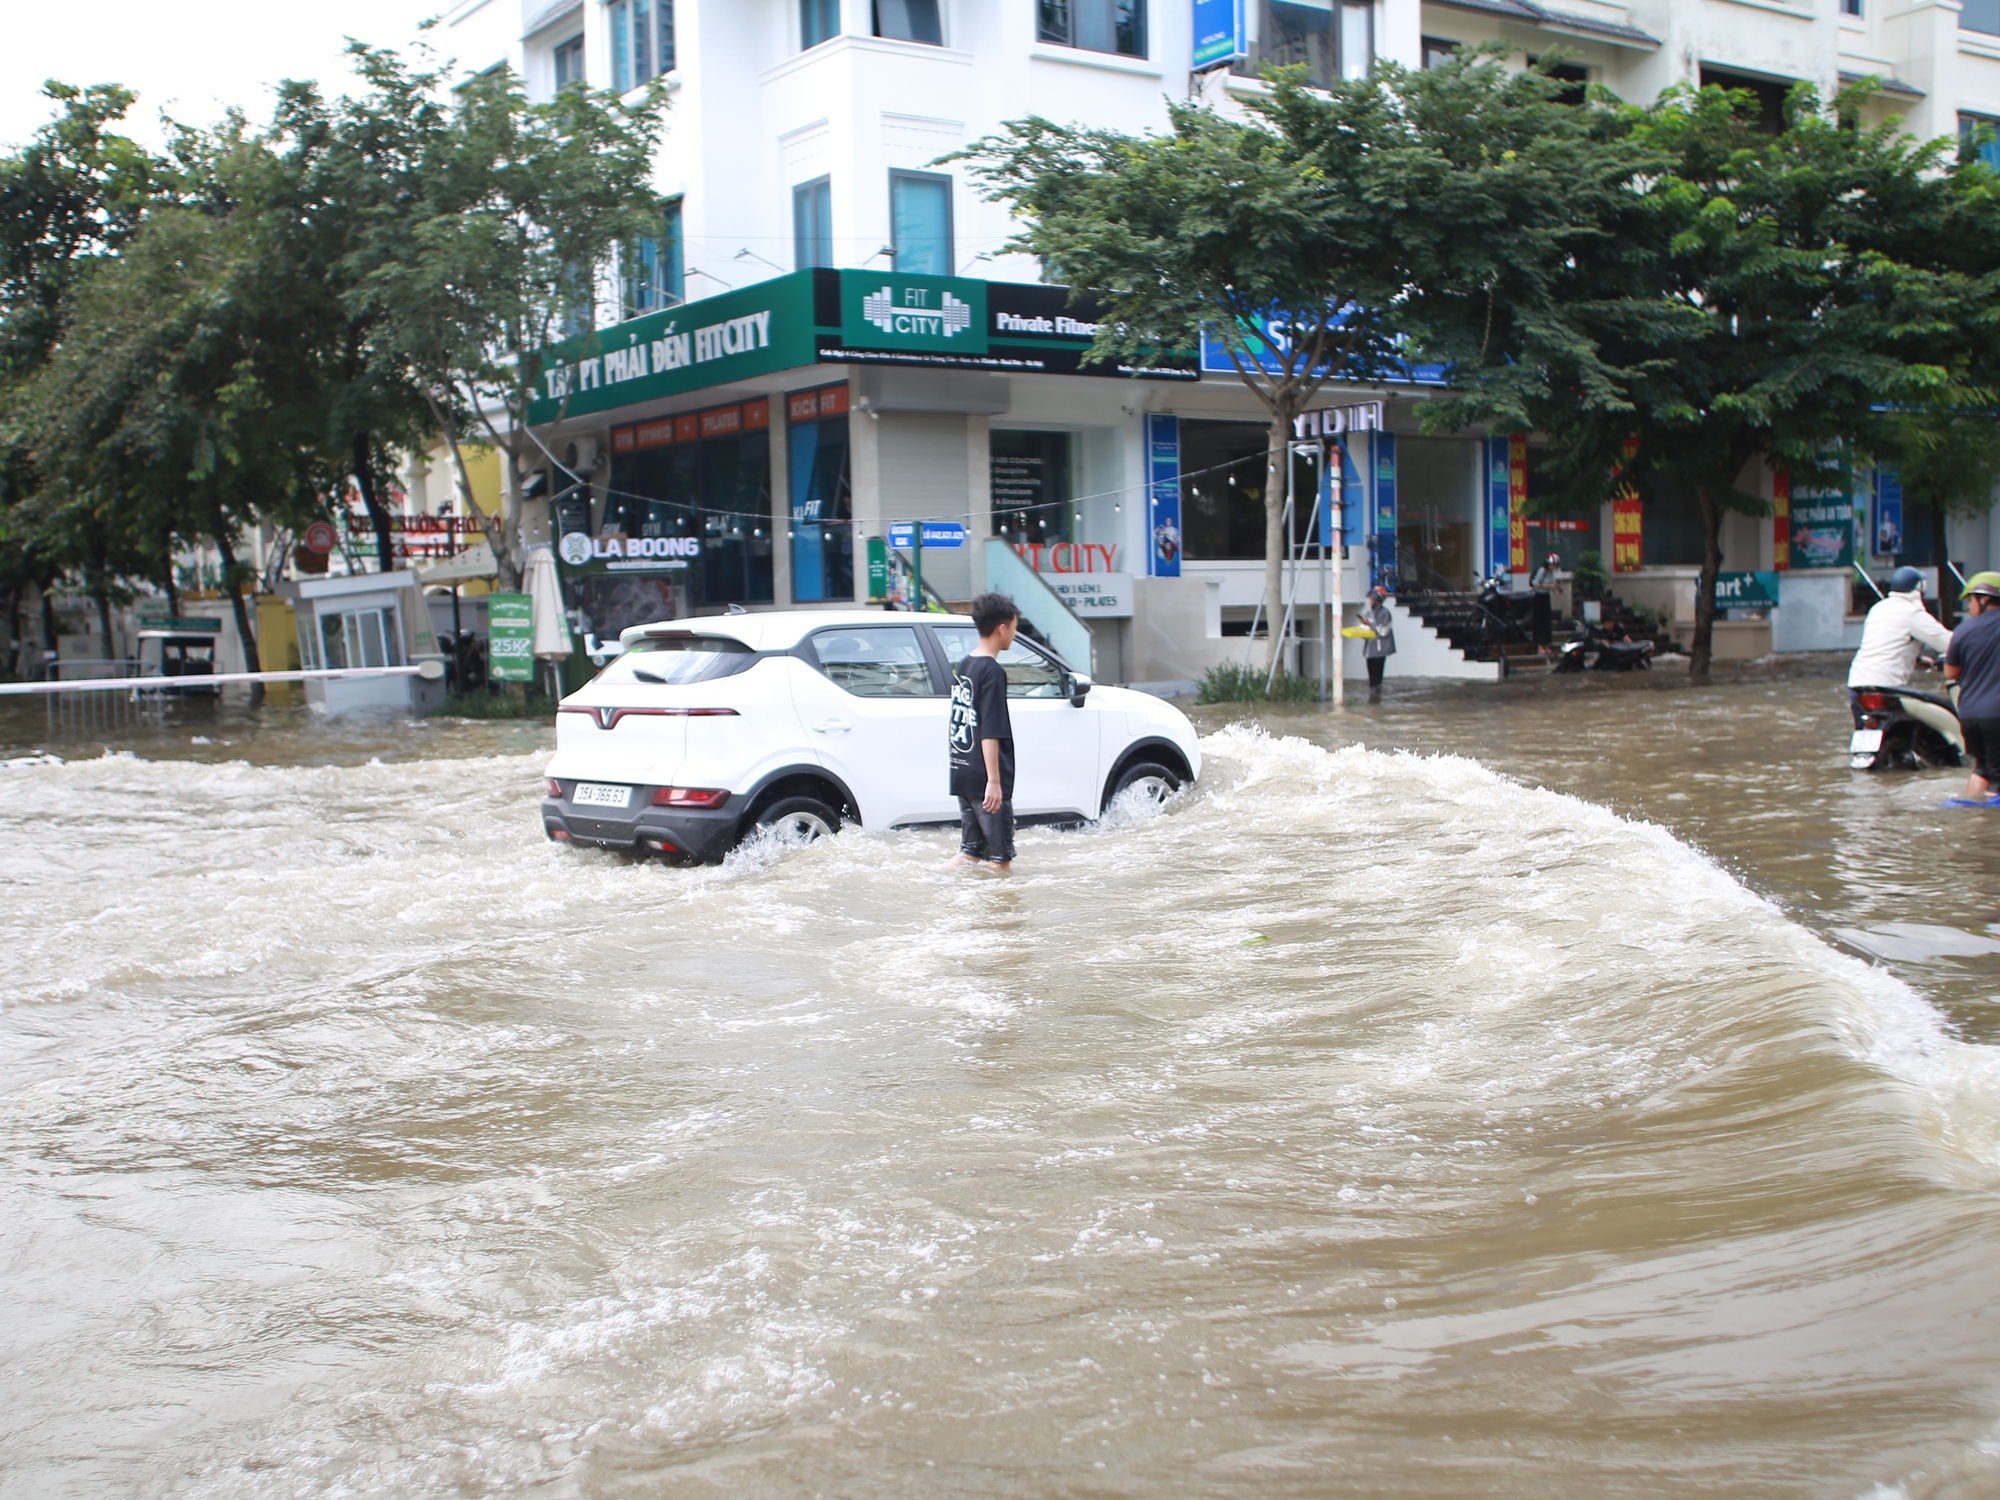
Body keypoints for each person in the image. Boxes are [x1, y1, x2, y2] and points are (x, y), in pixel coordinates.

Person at [947, 592, 1020, 871]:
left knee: (971, 853)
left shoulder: (964, 664)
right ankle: (999, 914)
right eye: (1014, 627)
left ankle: (930, 883)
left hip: (963, 772)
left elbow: (961, 720)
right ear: (1002, 628)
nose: (1014, 634)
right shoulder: (992, 672)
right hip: (984, 780)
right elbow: (990, 730)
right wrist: (994, 781)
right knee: (1000, 861)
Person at [1849, 565, 1951, 693]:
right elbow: (1948, 644)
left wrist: (1916, 659)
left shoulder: (1878, 608)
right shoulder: (1913, 613)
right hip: (1886, 686)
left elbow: (1885, 645)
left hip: (1857, 683)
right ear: (1920, 588)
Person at [1946, 571, 2000, 799]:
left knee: (1982, 768)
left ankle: (1974, 813)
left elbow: (1950, 673)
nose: (1969, 607)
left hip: (1969, 713)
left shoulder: (1962, 631)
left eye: (1970, 601)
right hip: (1997, 714)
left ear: (1984, 599)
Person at [1358, 585, 1396, 694]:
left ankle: (1376, 699)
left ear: (1377, 598)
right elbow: (1364, 629)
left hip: (1380, 650)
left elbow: (1383, 631)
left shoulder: (1385, 613)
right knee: (1371, 679)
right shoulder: (1367, 612)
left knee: (1377, 680)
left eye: (1371, 597)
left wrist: (1370, 624)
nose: (1370, 600)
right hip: (1369, 650)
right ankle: (1373, 699)